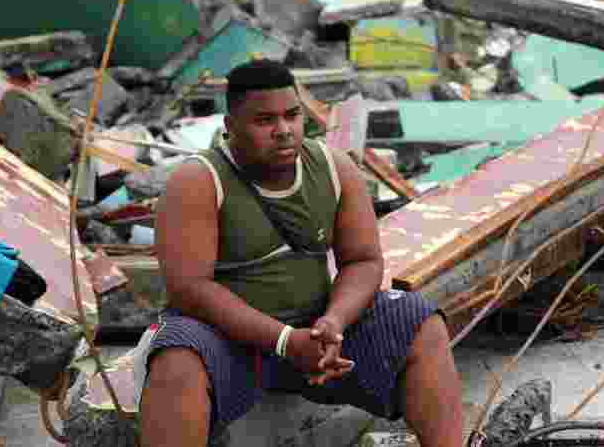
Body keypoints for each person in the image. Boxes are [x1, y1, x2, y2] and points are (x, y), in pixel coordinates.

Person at [139, 60, 464, 447]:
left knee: (419, 320)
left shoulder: (332, 168)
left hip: (318, 333)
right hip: (230, 343)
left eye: (292, 115)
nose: (283, 131)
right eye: (264, 121)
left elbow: (362, 261)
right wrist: (284, 341)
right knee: (176, 357)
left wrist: (334, 322)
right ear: (230, 126)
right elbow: (189, 289)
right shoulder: (197, 182)